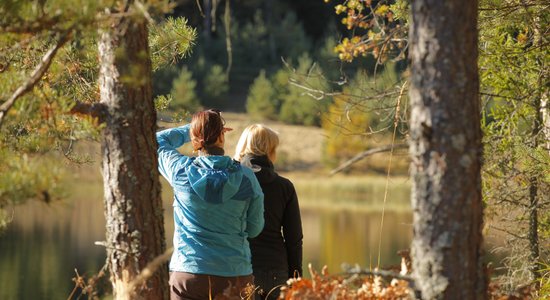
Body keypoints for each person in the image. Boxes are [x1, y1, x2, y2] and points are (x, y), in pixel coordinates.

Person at [156, 109, 265, 300]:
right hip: (235, 275)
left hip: (189, 275)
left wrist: (194, 130)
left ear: (196, 139)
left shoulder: (180, 172)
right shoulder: (247, 177)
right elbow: (255, 229)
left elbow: (156, 141)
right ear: (222, 136)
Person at [234, 124, 303, 300]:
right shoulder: (284, 186)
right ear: (271, 150)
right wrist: (296, 277)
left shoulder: (232, 181)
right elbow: (294, 238)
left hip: (240, 268)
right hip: (276, 270)